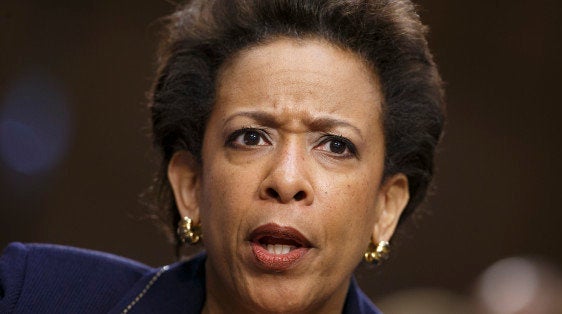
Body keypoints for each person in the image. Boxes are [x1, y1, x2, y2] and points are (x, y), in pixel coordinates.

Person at [0, 0, 444, 313]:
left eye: (335, 145)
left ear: (385, 208)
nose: (286, 179)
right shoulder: (31, 293)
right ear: (191, 186)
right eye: (250, 137)